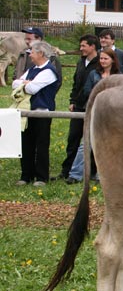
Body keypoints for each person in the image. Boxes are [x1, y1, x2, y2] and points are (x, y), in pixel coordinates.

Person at [66, 49, 121, 184]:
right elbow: (87, 91)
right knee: (85, 143)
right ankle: (75, 174)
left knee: (108, 145)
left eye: (105, 59)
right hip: (94, 111)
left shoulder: (118, 76)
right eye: (101, 58)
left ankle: (101, 175)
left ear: (112, 60)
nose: (102, 61)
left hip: (111, 114)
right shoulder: (93, 74)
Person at [12, 41, 61, 186]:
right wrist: (26, 82)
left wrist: (26, 83)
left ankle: (41, 177)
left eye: (32, 52)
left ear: (41, 53)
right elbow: (15, 83)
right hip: (28, 111)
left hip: (42, 112)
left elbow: (32, 89)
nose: (30, 55)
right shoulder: (33, 69)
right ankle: (26, 175)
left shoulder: (49, 71)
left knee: (41, 145)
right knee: (26, 143)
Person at [52, 34, 99, 181]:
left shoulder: (100, 63)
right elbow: (75, 83)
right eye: (81, 45)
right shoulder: (81, 62)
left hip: (93, 107)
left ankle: (91, 171)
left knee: (92, 141)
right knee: (73, 139)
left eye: (84, 45)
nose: (81, 48)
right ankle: (67, 171)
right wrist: (72, 100)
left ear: (92, 46)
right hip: (78, 106)